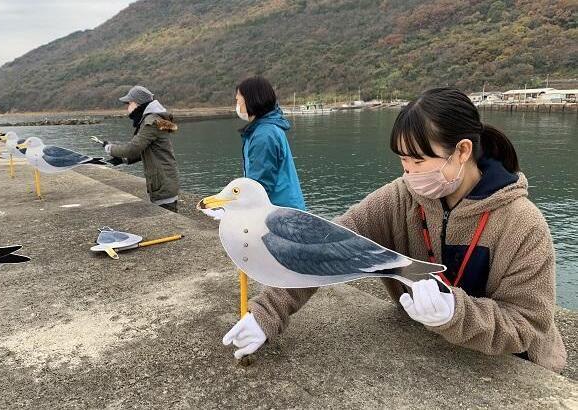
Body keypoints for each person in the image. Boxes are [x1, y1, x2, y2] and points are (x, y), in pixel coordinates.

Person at [222, 87, 567, 373]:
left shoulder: (523, 225)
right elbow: (325, 246)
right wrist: (267, 313)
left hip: (511, 366)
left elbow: (526, 324)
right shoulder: (402, 197)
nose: (410, 173)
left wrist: (455, 312)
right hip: (433, 351)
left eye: (419, 161)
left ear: (462, 151)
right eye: (403, 160)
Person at [98, 85, 180, 212]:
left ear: (138, 103)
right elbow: (144, 150)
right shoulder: (151, 119)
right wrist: (123, 160)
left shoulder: (151, 122)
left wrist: (109, 148)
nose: (128, 107)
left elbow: (133, 148)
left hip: (163, 184)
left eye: (129, 103)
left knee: (168, 226)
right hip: (163, 181)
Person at [235, 76, 305, 211]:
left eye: (238, 99)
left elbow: (260, 185)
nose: (237, 104)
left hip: (279, 212)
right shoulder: (266, 129)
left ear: (250, 99)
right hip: (284, 208)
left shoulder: (264, 135)